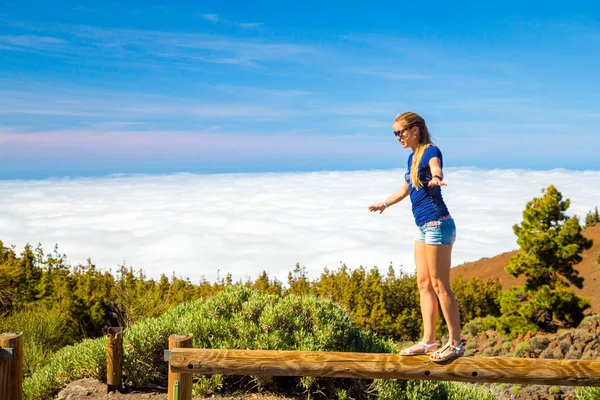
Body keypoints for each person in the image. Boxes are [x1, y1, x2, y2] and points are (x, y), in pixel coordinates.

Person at [368, 111, 464, 363]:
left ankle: (455, 344)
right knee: (424, 284)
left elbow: (436, 167)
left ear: (415, 129)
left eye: (400, 132)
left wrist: (436, 178)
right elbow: (406, 187)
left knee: (440, 285)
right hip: (423, 227)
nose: (397, 137)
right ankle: (429, 341)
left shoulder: (430, 151)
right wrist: (385, 204)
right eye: (394, 134)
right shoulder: (413, 157)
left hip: (438, 225)